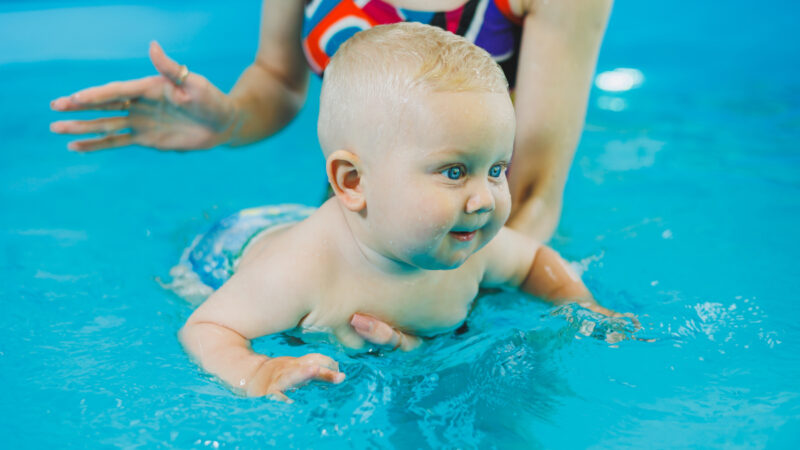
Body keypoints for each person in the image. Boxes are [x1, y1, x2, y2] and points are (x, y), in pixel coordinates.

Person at [177, 23, 632, 402]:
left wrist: (583, 306)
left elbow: (534, 261)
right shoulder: (301, 271)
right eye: (454, 172)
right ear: (353, 181)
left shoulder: (470, 243)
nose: (484, 199)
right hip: (231, 251)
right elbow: (206, 326)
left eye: (496, 169)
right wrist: (256, 372)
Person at [49, 0, 614, 242]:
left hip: (479, 248)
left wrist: (440, 294)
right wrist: (226, 120)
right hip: (345, 237)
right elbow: (276, 79)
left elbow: (535, 193)